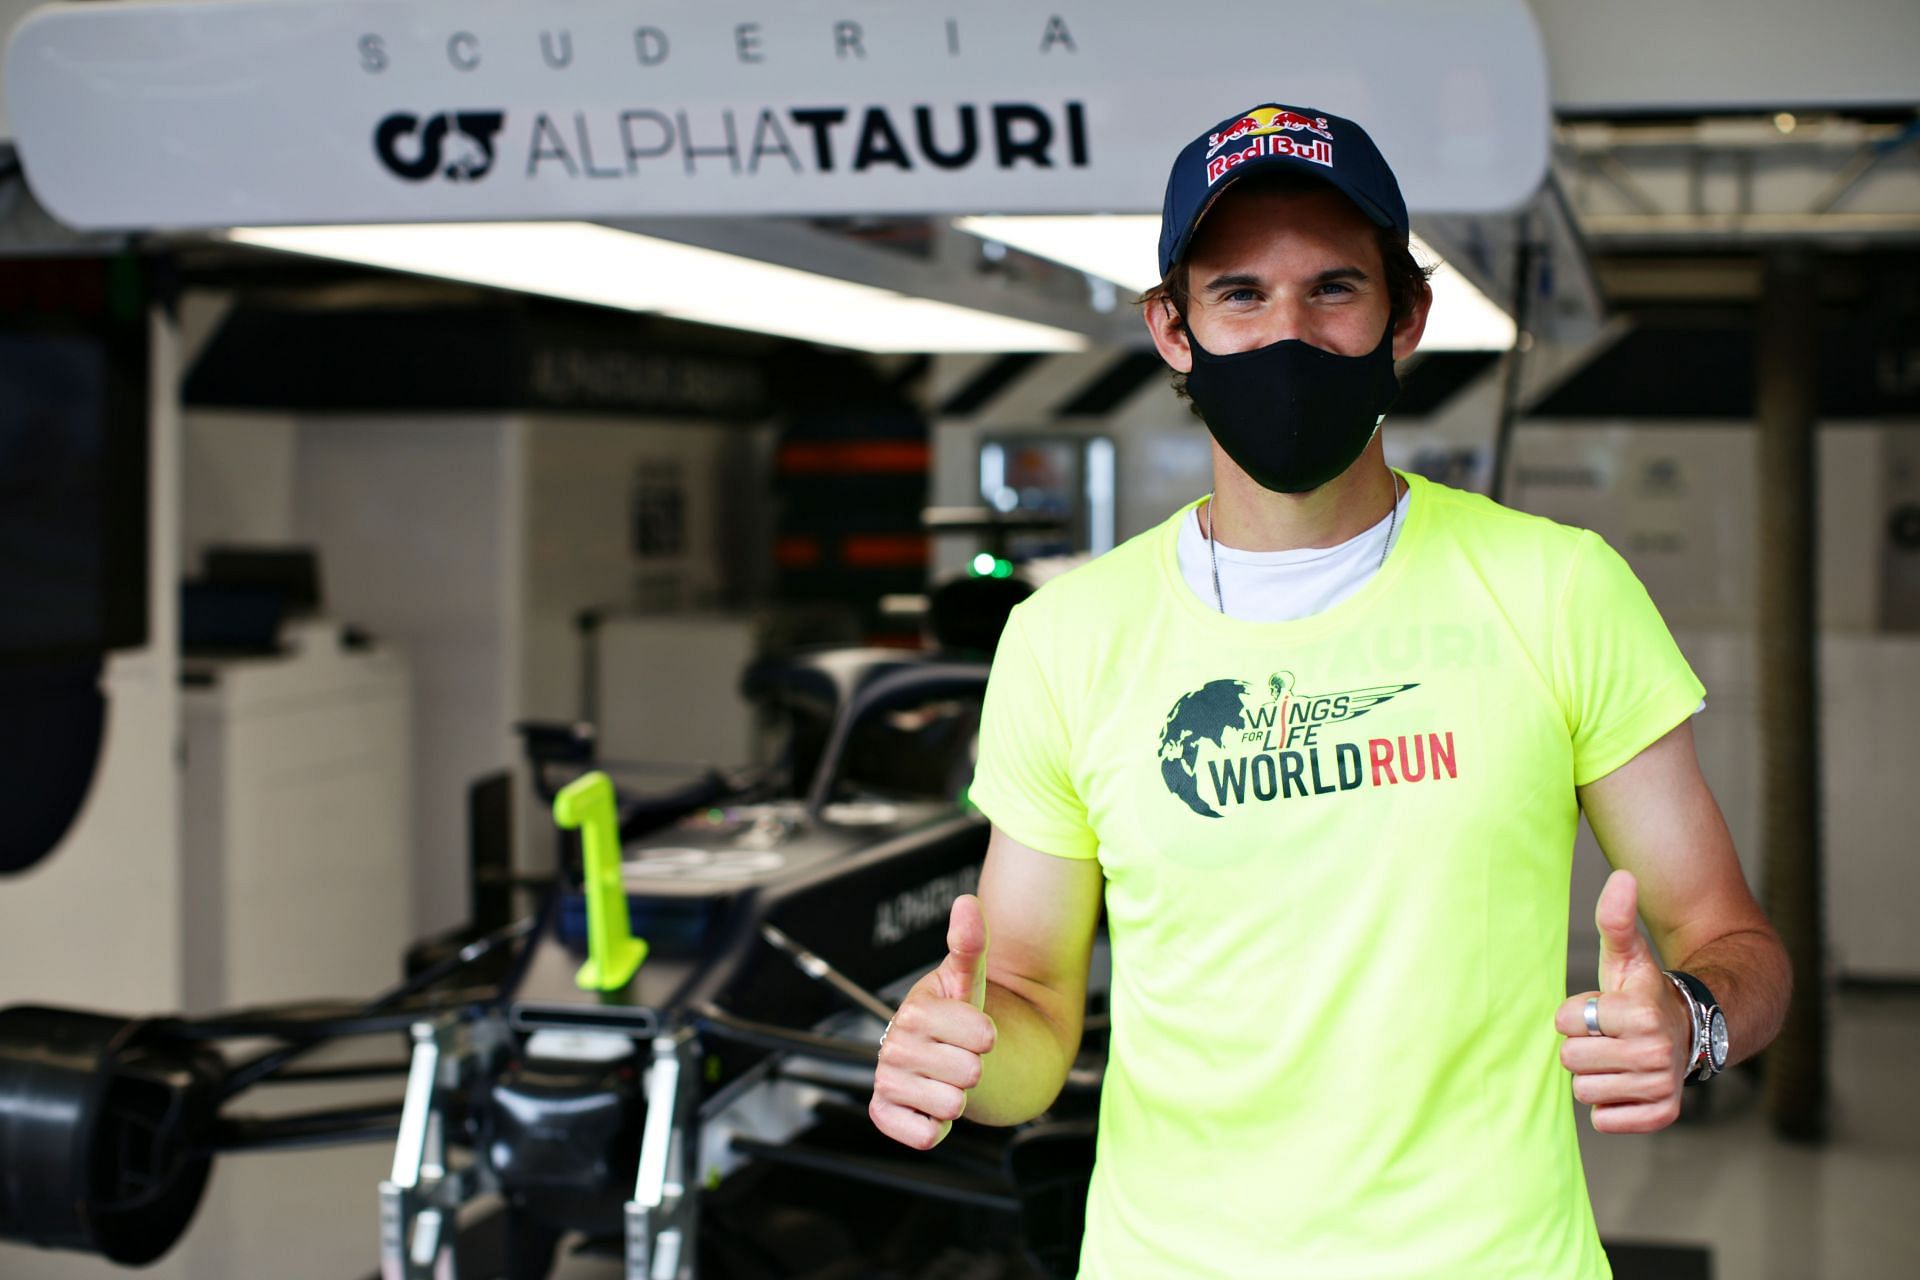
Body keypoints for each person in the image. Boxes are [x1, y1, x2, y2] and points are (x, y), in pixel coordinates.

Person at [869, 101, 1790, 1278]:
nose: (1287, 333)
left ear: (1405, 317)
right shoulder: (1065, 638)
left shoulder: (1559, 588)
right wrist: (962, 1057)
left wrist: (1694, 1018)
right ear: (1172, 325)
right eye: (1240, 294)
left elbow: (1733, 936)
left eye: (1334, 290)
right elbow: (1037, 1001)